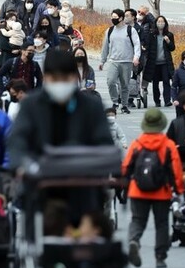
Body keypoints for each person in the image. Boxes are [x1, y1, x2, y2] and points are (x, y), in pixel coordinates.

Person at [8, 50, 114, 238]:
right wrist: (23, 164)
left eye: (65, 78)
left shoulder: (91, 106)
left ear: (74, 78)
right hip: (42, 182)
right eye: (54, 78)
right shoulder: (31, 105)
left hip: (82, 183)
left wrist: (101, 164)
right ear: (46, 77)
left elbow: (104, 142)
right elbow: (18, 141)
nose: (60, 84)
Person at [122, 109, 184, 268]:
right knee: (161, 223)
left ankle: (134, 240)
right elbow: (176, 170)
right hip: (161, 191)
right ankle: (160, 257)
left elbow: (126, 167)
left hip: (138, 190)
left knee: (137, 220)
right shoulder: (168, 145)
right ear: (161, 124)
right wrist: (179, 191)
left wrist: (124, 187)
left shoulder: (137, 144)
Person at [100, 8, 141, 114]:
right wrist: (102, 61)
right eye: (112, 17)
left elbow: (137, 44)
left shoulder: (130, 30)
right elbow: (105, 47)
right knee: (111, 82)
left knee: (125, 85)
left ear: (121, 18)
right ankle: (115, 101)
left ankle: (124, 105)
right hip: (113, 61)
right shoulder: (109, 31)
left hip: (126, 61)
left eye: (115, 17)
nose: (113, 19)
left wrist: (136, 57)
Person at [144, 15, 175, 107]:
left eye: (162, 22)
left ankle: (167, 100)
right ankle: (157, 101)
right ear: (156, 23)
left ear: (165, 23)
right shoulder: (151, 35)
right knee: (155, 82)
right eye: (159, 22)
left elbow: (172, 48)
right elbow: (147, 46)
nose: (160, 23)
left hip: (165, 62)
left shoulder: (169, 35)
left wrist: (168, 41)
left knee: (166, 81)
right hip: (154, 62)